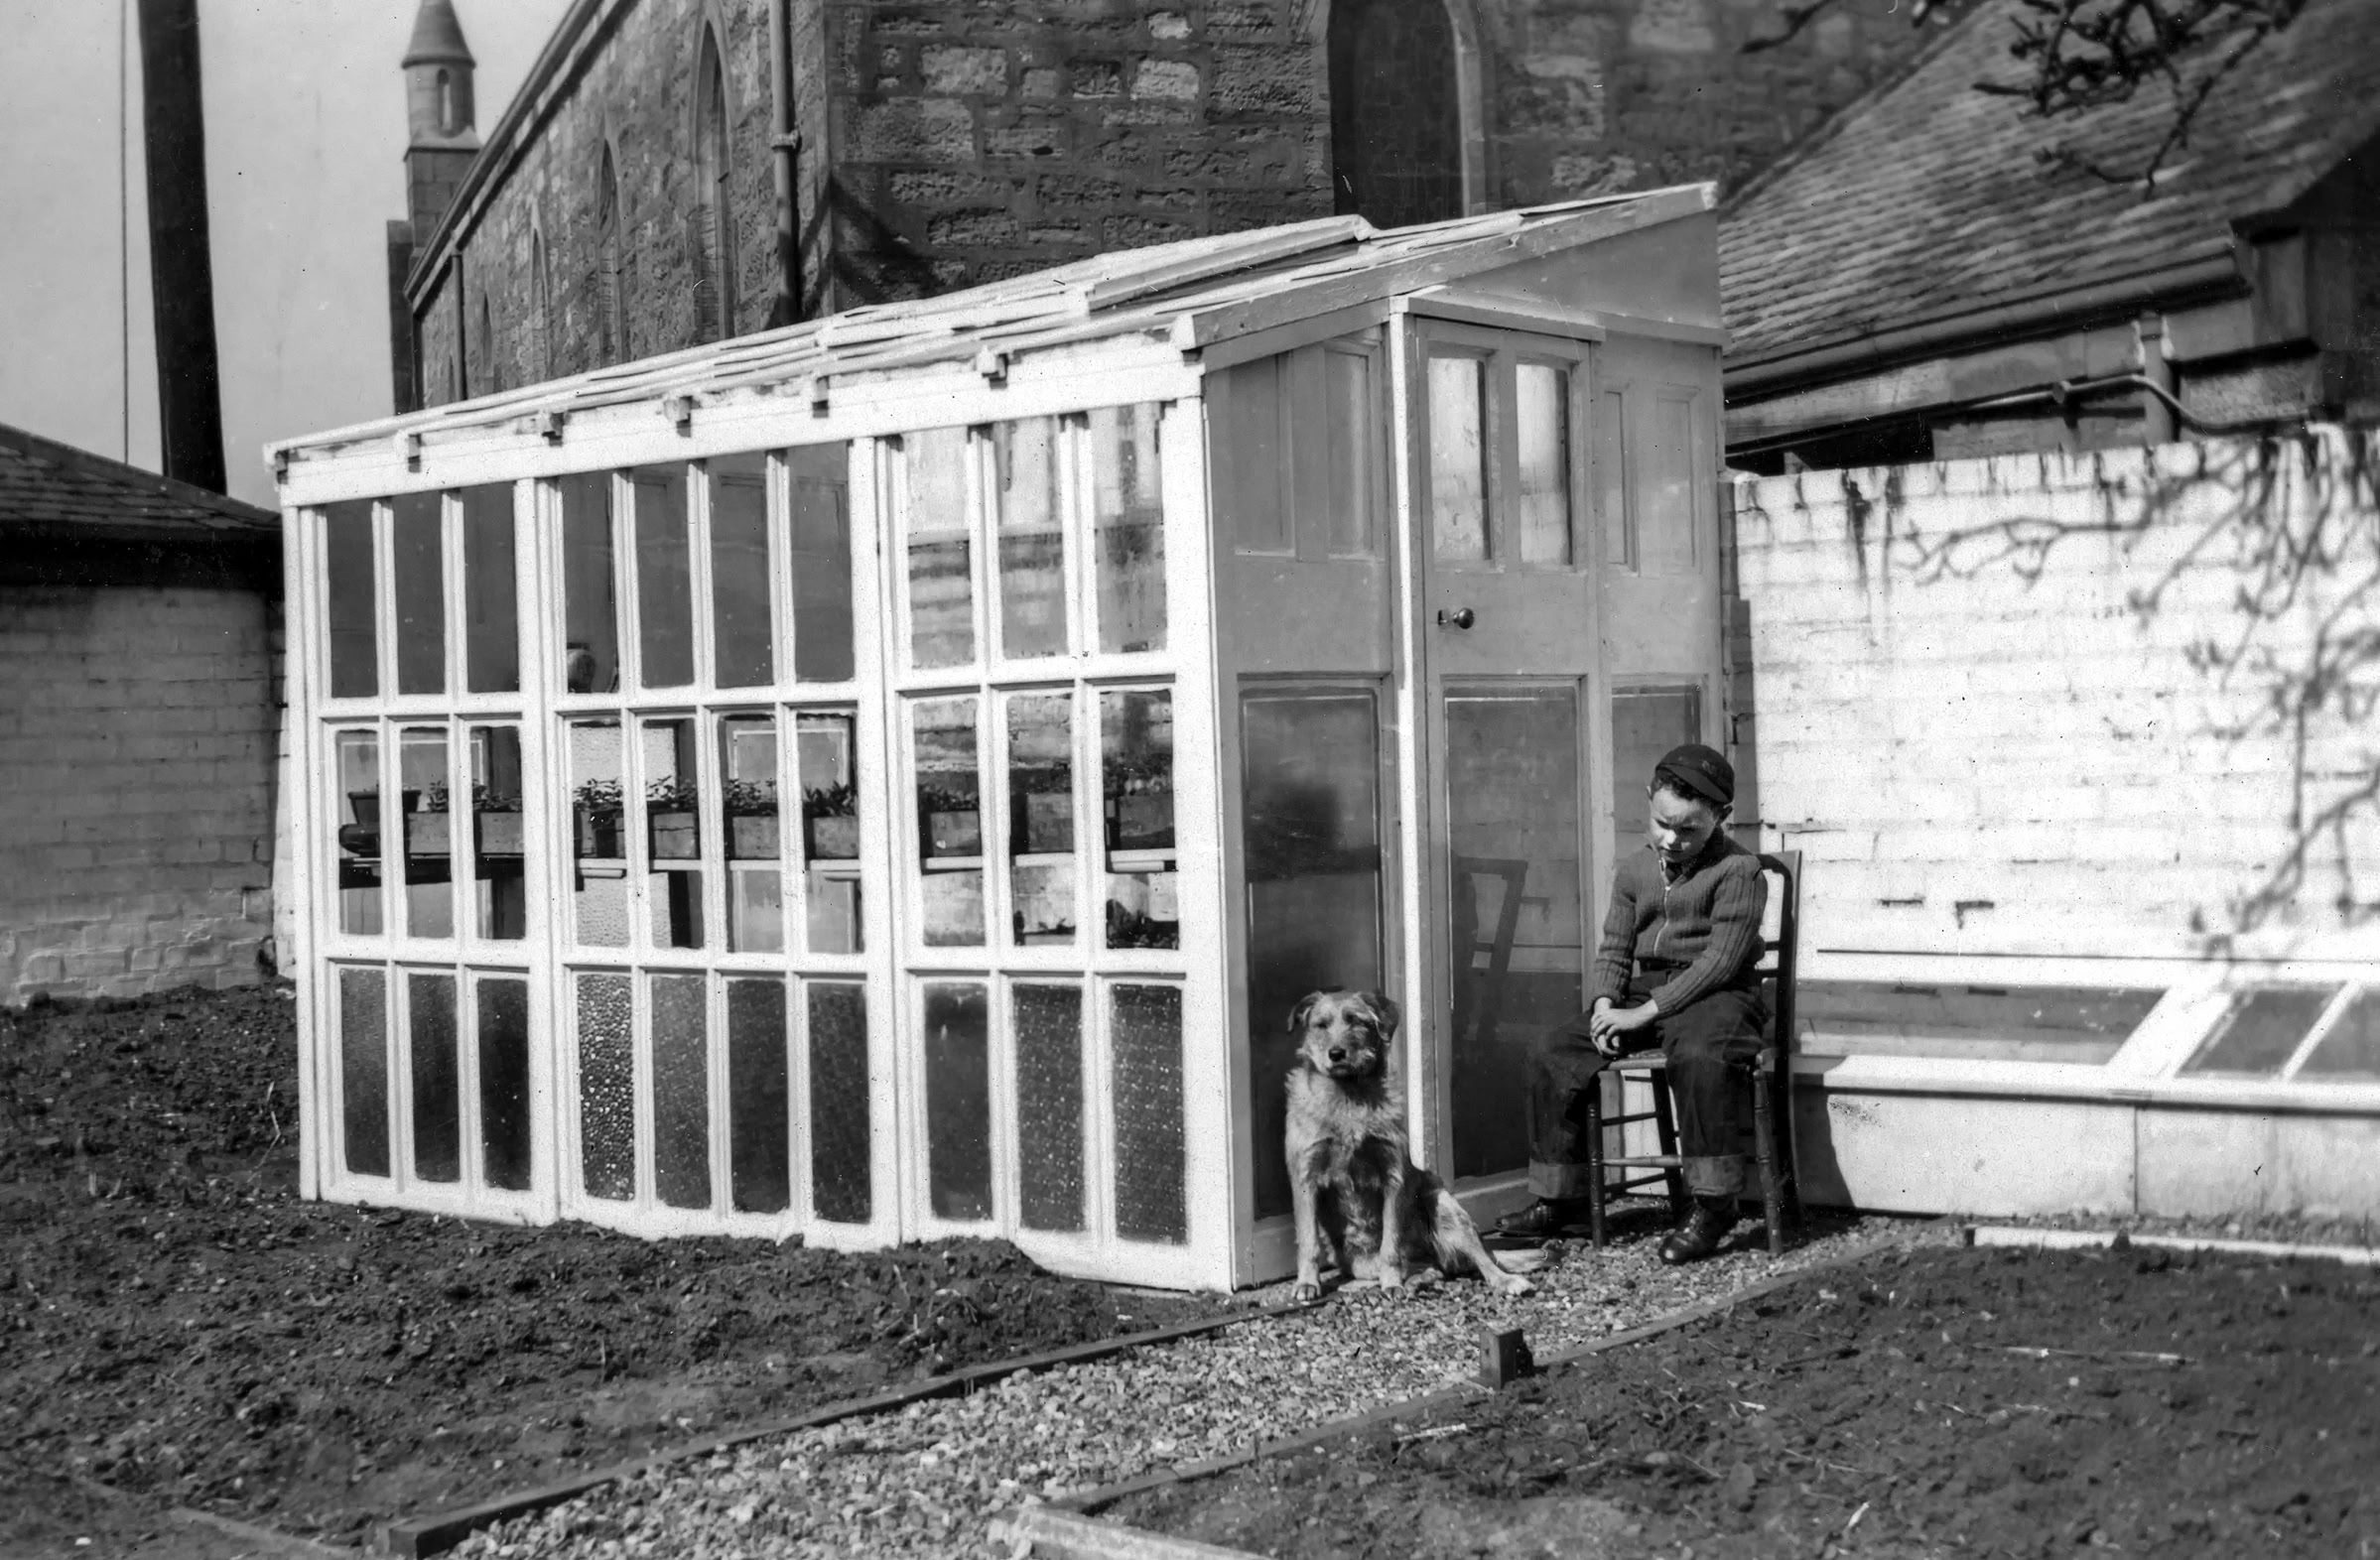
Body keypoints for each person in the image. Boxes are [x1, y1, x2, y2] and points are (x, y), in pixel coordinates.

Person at [1499, 742, 1768, 1264]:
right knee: (1552, 1051)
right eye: (1662, 823)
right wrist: (1604, 1004)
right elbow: (1616, 949)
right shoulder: (1633, 870)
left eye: (1688, 830)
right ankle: (1562, 1199)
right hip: (1645, 993)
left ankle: (1714, 1204)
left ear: (1722, 817)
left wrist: (1643, 1013)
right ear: (1649, 798)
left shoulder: (1740, 871)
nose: (1671, 839)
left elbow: (1720, 962)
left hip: (1720, 995)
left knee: (1700, 1055)